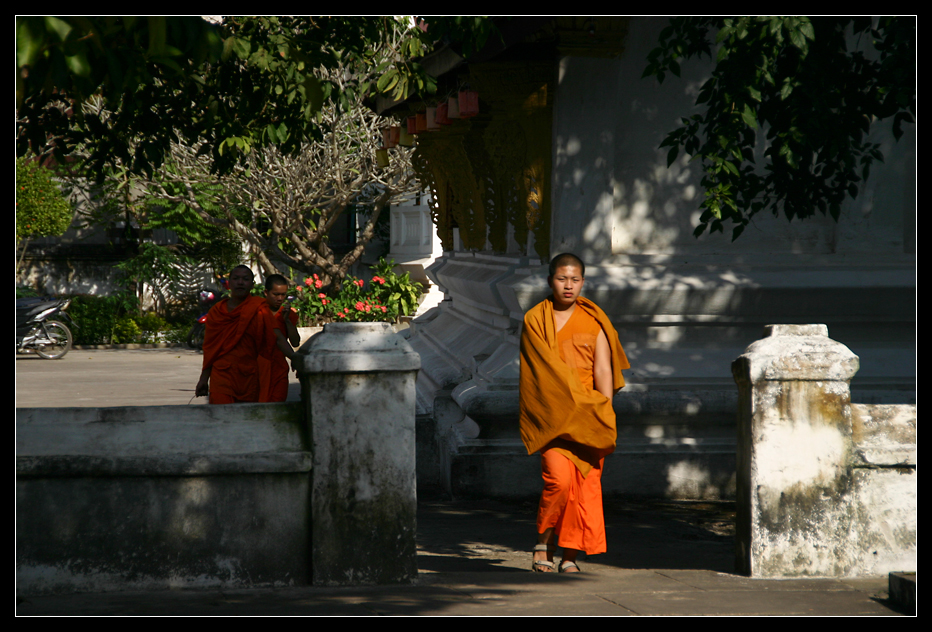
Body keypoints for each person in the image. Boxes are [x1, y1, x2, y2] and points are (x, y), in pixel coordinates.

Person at [519, 253, 629, 573]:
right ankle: (542, 544)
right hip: (553, 417)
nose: (568, 286)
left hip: (588, 419)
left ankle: (569, 556)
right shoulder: (535, 320)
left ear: (583, 281)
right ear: (550, 280)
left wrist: (604, 411)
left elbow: (603, 370)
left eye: (575, 279)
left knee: (583, 488)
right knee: (559, 481)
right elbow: (536, 376)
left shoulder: (595, 320)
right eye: (562, 279)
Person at [194, 265, 296, 404]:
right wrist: (203, 379)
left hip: (248, 375)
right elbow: (210, 348)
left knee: (247, 419)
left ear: (252, 284)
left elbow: (277, 337)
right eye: (236, 278)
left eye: (245, 279)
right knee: (221, 418)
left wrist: (295, 358)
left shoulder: (259, 308)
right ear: (229, 282)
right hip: (222, 374)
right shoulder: (217, 312)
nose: (240, 282)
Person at [258, 274, 300, 403]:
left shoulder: (287, 314)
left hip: (279, 367)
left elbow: (295, 341)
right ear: (266, 292)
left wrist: (287, 321)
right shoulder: (257, 310)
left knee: (278, 404)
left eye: (283, 295)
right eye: (276, 294)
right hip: (258, 366)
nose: (280, 298)